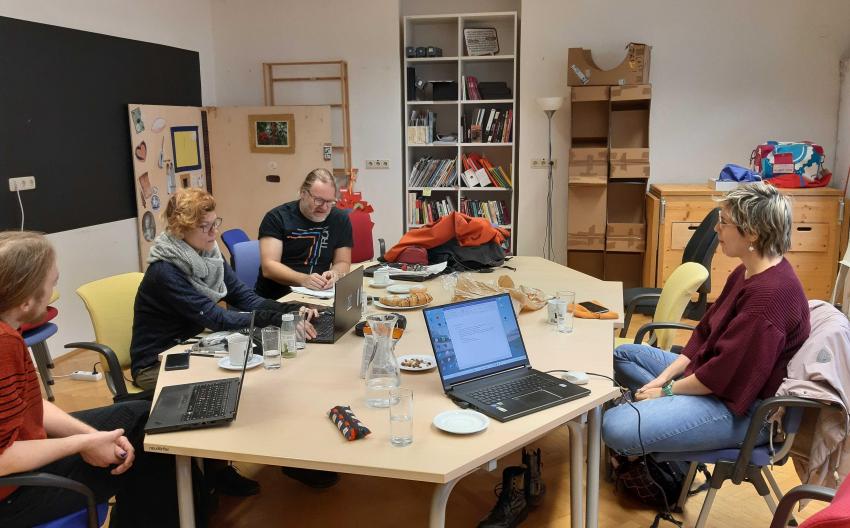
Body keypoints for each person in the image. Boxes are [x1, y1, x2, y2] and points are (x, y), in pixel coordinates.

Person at [129, 188, 327, 493]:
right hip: (160, 360)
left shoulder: (208, 255)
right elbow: (216, 318)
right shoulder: (165, 272)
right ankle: (218, 471)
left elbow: (245, 298)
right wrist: (274, 318)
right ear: (181, 230)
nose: (214, 233)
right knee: (244, 379)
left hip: (197, 344)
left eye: (215, 223)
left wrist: (288, 309)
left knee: (268, 369)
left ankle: (284, 457)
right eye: (205, 227)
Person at [602, 182, 811, 456]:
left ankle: (653, 411)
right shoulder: (746, 272)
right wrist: (663, 380)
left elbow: (723, 379)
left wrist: (666, 392)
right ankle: (656, 408)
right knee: (623, 355)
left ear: (753, 234)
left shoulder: (769, 298)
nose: (716, 229)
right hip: (713, 377)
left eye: (724, 223)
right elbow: (705, 331)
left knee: (616, 427)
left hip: (743, 408)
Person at [0, 231, 179, 527]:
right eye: (51, 284)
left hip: (22, 463)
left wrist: (90, 437)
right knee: (143, 448)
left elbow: (33, 407)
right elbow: (4, 458)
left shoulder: (9, 328)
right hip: (15, 496)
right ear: (24, 300)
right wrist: (83, 443)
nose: (54, 291)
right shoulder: (3, 343)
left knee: (142, 415)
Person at [255, 168, 353, 299]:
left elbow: (343, 261)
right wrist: (303, 279)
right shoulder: (277, 218)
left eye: (330, 202)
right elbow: (269, 266)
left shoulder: (340, 219)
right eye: (318, 200)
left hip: (318, 295)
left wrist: (335, 274)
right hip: (278, 297)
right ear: (303, 193)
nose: (324, 207)